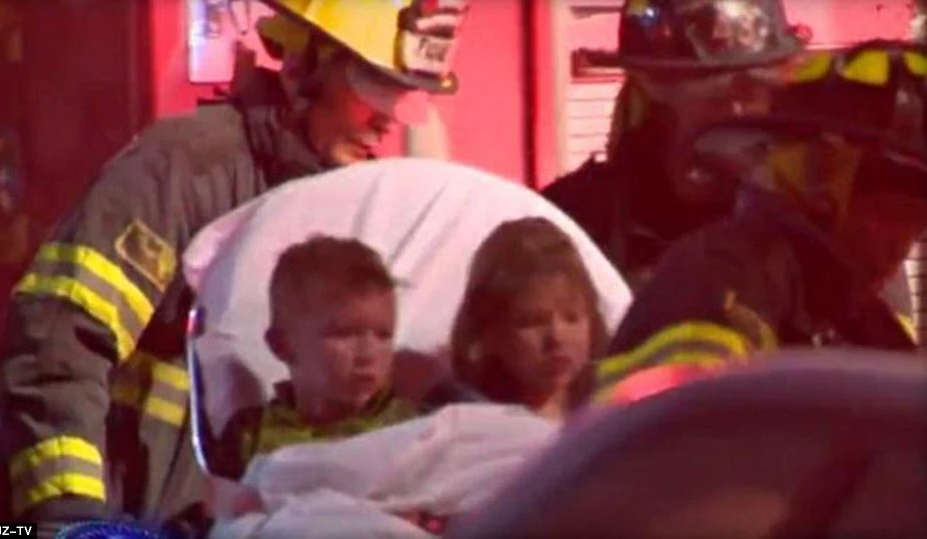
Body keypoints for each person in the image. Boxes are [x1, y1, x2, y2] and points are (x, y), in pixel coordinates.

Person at [0, 0, 468, 534]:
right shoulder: (184, 169)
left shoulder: (342, 207)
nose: (388, 118)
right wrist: (67, 516)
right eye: (374, 90)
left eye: (401, 96)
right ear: (303, 67)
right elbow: (57, 341)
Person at [592, 39, 927, 401]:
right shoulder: (722, 281)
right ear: (818, 177)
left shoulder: (867, 326)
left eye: (917, 221)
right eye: (888, 215)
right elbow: (676, 438)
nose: (899, 247)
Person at [542, 0, 806, 291]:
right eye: (714, 96)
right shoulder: (572, 224)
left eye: (750, 92)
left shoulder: (808, 227)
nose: (736, 113)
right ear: (645, 99)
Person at [213, 235, 416, 480]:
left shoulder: (413, 429)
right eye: (343, 334)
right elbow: (221, 511)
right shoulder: (249, 436)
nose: (368, 354)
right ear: (282, 346)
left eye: (384, 336)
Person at [450, 218, 610, 422]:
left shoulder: (611, 411)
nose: (556, 337)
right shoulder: (473, 423)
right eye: (533, 321)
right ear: (489, 331)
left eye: (572, 318)